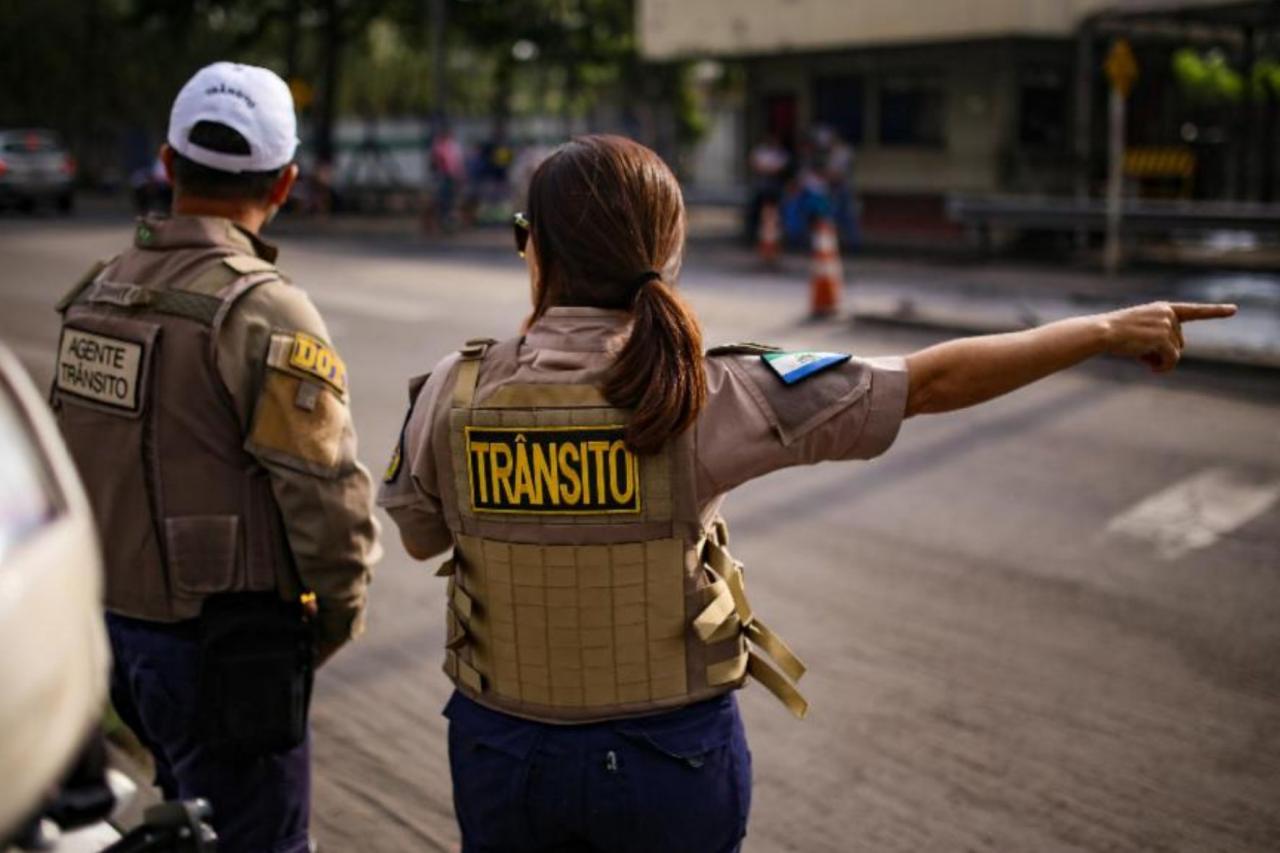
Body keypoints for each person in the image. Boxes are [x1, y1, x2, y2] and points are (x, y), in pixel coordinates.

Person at [378, 134, 1234, 853]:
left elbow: (418, 540)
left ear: (535, 247)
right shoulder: (709, 394)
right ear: (667, 256)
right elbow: (927, 382)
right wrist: (1106, 329)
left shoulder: (452, 397)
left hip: (504, 757)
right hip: (666, 764)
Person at [50, 62, 380, 853]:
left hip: (115, 647)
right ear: (287, 181)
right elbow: (328, 504)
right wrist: (327, 627)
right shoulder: (264, 307)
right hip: (227, 655)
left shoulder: (95, 294)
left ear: (168, 164)